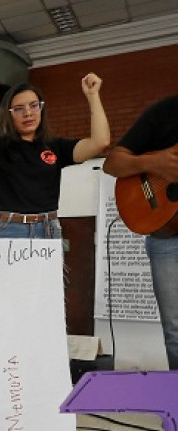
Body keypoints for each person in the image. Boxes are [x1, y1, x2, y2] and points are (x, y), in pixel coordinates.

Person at [0, 70, 109, 239]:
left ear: (41, 108)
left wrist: (93, 95)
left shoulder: (55, 146)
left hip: (48, 227)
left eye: (34, 105)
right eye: (19, 109)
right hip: (7, 228)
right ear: (8, 114)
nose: (28, 113)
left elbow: (99, 142)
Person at [103, 96, 178, 370]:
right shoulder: (166, 111)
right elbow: (112, 163)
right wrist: (153, 162)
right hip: (167, 239)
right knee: (175, 330)